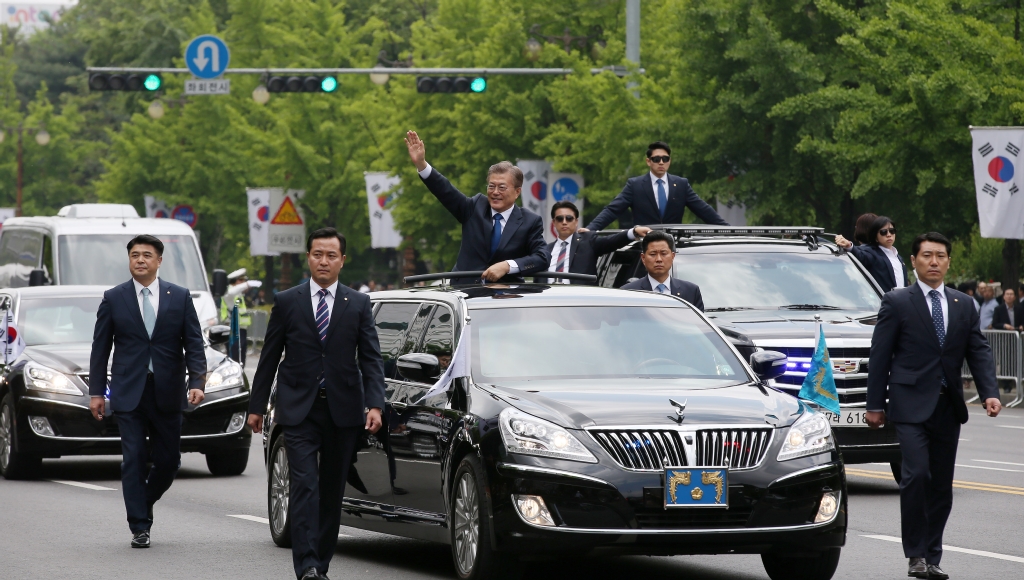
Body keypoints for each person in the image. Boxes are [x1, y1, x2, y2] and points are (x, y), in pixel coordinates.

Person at [247, 228, 385, 580]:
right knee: (305, 485)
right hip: (299, 409)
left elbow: (370, 359)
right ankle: (306, 564)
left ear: (342, 260)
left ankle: (320, 564)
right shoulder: (288, 300)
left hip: (343, 410)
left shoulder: (358, 304)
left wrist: (375, 404)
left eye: (331, 255)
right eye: (318, 254)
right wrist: (256, 406)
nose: (324, 261)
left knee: (331, 489)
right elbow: (269, 357)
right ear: (308, 257)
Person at [866, 232, 1001, 580]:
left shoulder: (962, 304)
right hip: (909, 405)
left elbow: (978, 350)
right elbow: (880, 356)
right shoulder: (897, 301)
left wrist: (990, 391)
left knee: (941, 484)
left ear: (948, 262)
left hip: (947, 408)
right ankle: (915, 554)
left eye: (940, 256)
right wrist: (874, 404)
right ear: (913, 261)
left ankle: (932, 555)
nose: (934, 262)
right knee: (916, 476)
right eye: (926, 255)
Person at [88, 234, 207, 549]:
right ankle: (140, 526)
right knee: (135, 457)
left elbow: (194, 342)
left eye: (147, 255)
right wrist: (96, 392)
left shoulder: (179, 297)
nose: (140, 260)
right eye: (135, 255)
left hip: (167, 391)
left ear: (159, 261)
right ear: (129, 260)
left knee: (169, 461)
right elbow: (100, 348)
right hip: (129, 392)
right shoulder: (114, 298)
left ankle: (144, 500)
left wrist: (197, 382)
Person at [405, 130, 547, 283]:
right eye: (491, 186)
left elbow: (542, 257)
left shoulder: (530, 221)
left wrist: (507, 266)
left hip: (505, 297)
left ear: (517, 192)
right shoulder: (475, 207)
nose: (495, 192)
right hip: (465, 293)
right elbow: (446, 191)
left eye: (502, 187)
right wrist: (421, 164)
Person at [587, 141, 729, 231]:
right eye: (656, 159)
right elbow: (613, 210)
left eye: (665, 159)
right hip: (644, 244)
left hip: (673, 245)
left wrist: (729, 229)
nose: (661, 162)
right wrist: (591, 229)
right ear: (648, 162)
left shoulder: (681, 185)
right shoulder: (635, 185)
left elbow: (703, 210)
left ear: (669, 161)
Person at [545, 201, 650, 284]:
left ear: (576, 222)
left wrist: (634, 232)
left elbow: (611, 241)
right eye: (559, 219)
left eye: (569, 218)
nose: (564, 222)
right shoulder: (545, 250)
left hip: (578, 305)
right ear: (554, 222)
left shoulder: (588, 241)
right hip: (549, 304)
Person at [621, 230, 704, 311]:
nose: (659, 259)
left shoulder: (691, 291)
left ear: (672, 256)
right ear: (643, 258)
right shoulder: (629, 292)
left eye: (664, 253)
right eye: (653, 254)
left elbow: (699, 324)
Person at [834, 215, 908, 292]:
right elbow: (861, 256)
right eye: (883, 232)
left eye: (892, 231)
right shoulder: (872, 253)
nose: (889, 234)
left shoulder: (899, 257)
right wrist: (849, 246)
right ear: (876, 237)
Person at [221, 268, 260, 366]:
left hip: (241, 328)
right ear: (235, 281)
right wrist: (247, 285)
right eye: (241, 281)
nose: (244, 283)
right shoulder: (228, 292)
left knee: (241, 358)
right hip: (233, 328)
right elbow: (230, 293)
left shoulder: (238, 294)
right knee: (235, 359)